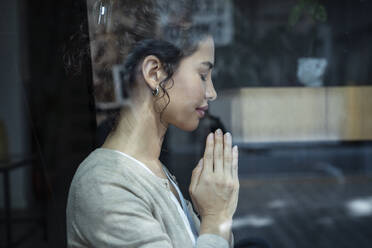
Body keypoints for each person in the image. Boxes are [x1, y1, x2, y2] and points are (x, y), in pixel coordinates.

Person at [66, 1, 239, 247]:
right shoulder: (105, 185)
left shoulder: (155, 171)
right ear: (154, 72)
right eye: (202, 75)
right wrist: (216, 216)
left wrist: (215, 216)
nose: (211, 92)